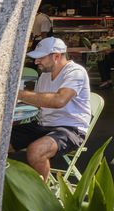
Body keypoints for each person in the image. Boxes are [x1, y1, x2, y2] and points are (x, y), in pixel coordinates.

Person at [10, 37, 91, 180]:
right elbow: (37, 103)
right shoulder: (44, 76)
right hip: (43, 125)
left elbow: (59, 100)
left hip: (71, 128)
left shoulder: (76, 72)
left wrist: (19, 94)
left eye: (40, 58)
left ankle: (40, 196)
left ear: (57, 56)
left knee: (36, 150)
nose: (36, 62)